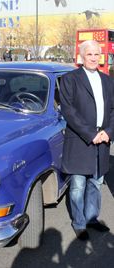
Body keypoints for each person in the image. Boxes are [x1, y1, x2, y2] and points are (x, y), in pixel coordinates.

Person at [59, 40, 114, 241]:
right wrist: (91, 134)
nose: (93, 58)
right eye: (89, 54)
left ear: (101, 56)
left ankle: (91, 218)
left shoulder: (108, 81)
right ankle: (79, 223)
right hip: (81, 142)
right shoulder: (70, 79)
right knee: (78, 187)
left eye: (96, 54)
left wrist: (108, 132)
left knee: (96, 184)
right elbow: (69, 111)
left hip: (103, 141)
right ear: (81, 56)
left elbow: (113, 110)